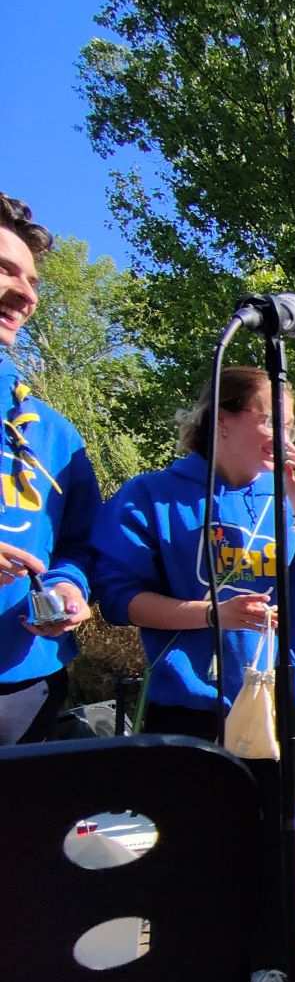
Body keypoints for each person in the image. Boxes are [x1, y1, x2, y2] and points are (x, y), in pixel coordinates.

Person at [92, 365, 295, 982]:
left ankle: (268, 969)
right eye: (271, 421)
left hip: (276, 706)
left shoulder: (292, 503)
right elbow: (119, 599)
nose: (285, 439)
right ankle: (187, 974)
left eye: (291, 427)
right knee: (188, 847)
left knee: (270, 848)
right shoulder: (153, 496)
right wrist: (212, 614)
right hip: (189, 704)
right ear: (224, 418)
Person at [0, 193, 102, 745]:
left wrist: (67, 588)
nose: (26, 294)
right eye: (5, 269)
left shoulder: (56, 435)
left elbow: (79, 546)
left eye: (33, 281)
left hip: (26, 686)